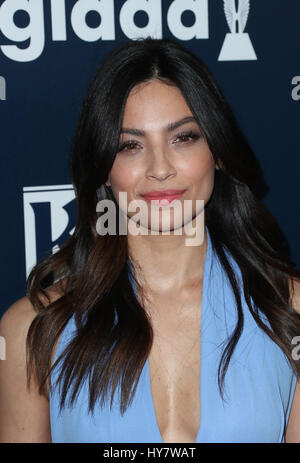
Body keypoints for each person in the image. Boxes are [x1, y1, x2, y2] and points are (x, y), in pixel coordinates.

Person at [1, 37, 300, 444]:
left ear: (219, 151)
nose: (160, 168)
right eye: (131, 145)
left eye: (184, 137)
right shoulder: (33, 329)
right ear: (104, 167)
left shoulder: (289, 309)